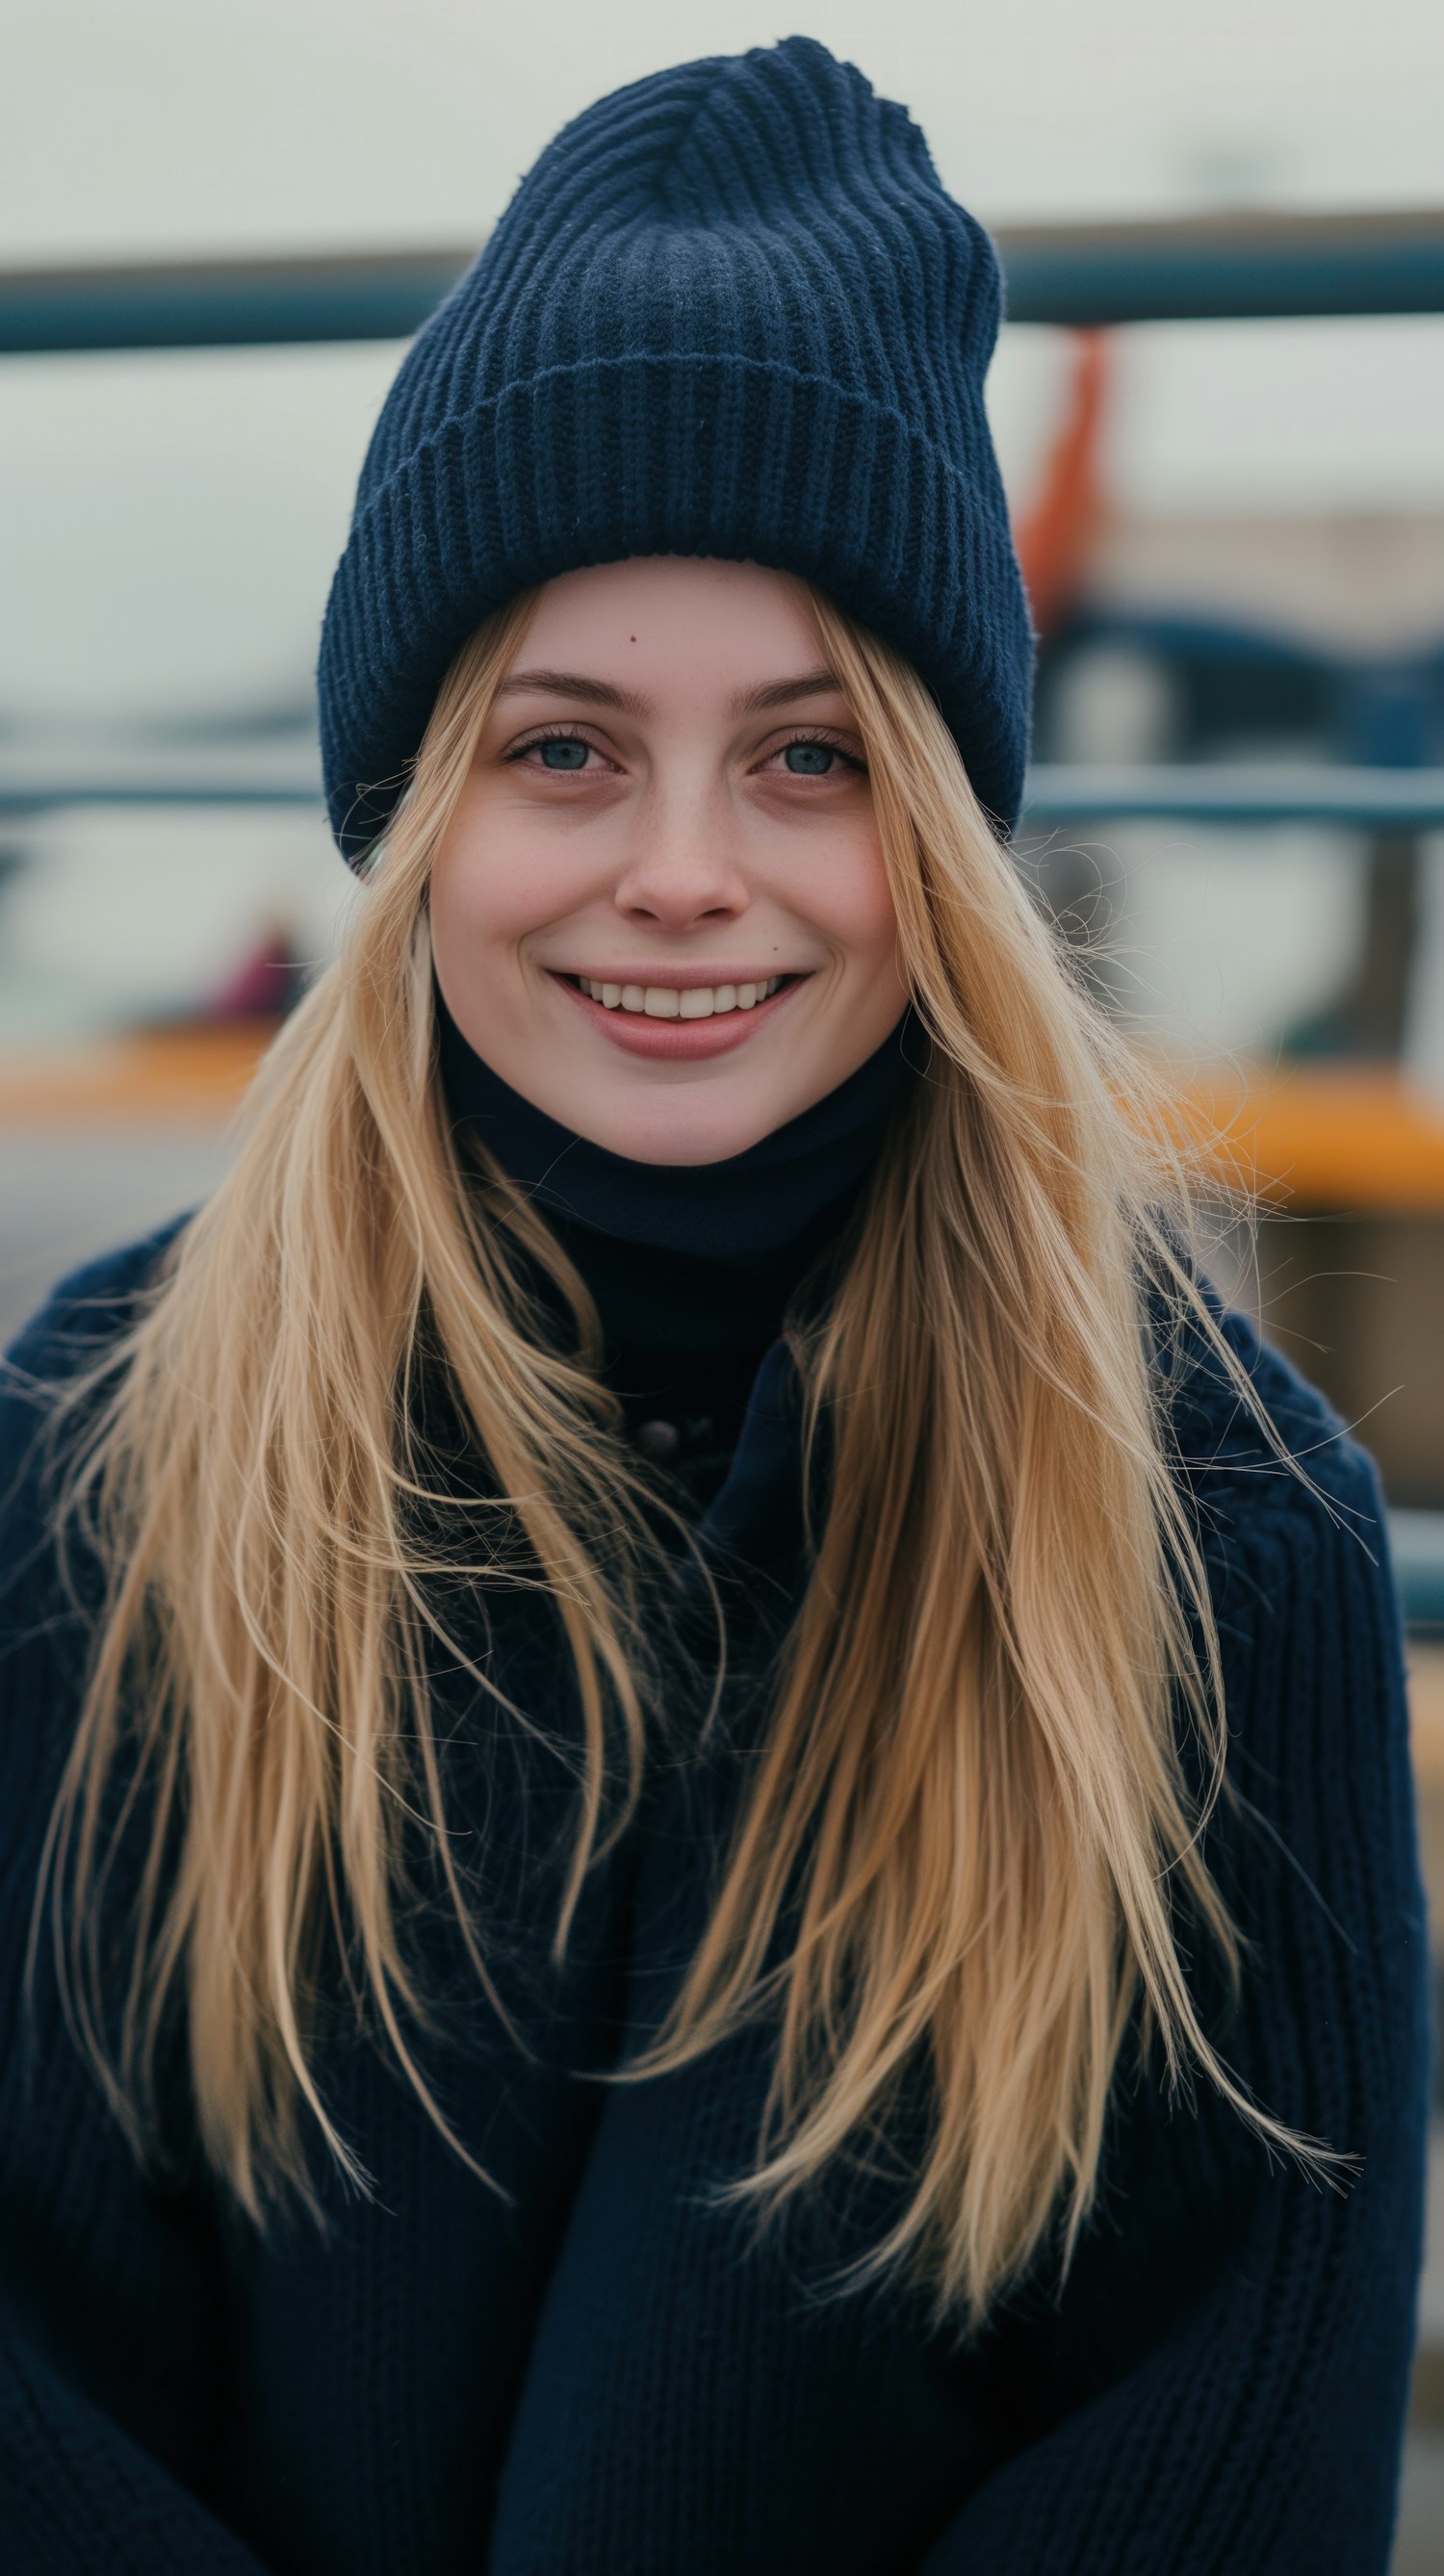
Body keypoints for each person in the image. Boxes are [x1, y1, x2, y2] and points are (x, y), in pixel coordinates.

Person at [0, 39, 1428, 2576]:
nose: (683, 870)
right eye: (563, 750)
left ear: (950, 835)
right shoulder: (106, 1452)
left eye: (809, 758)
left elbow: (1224, 2428)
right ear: (413, 810)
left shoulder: (1215, 1527)